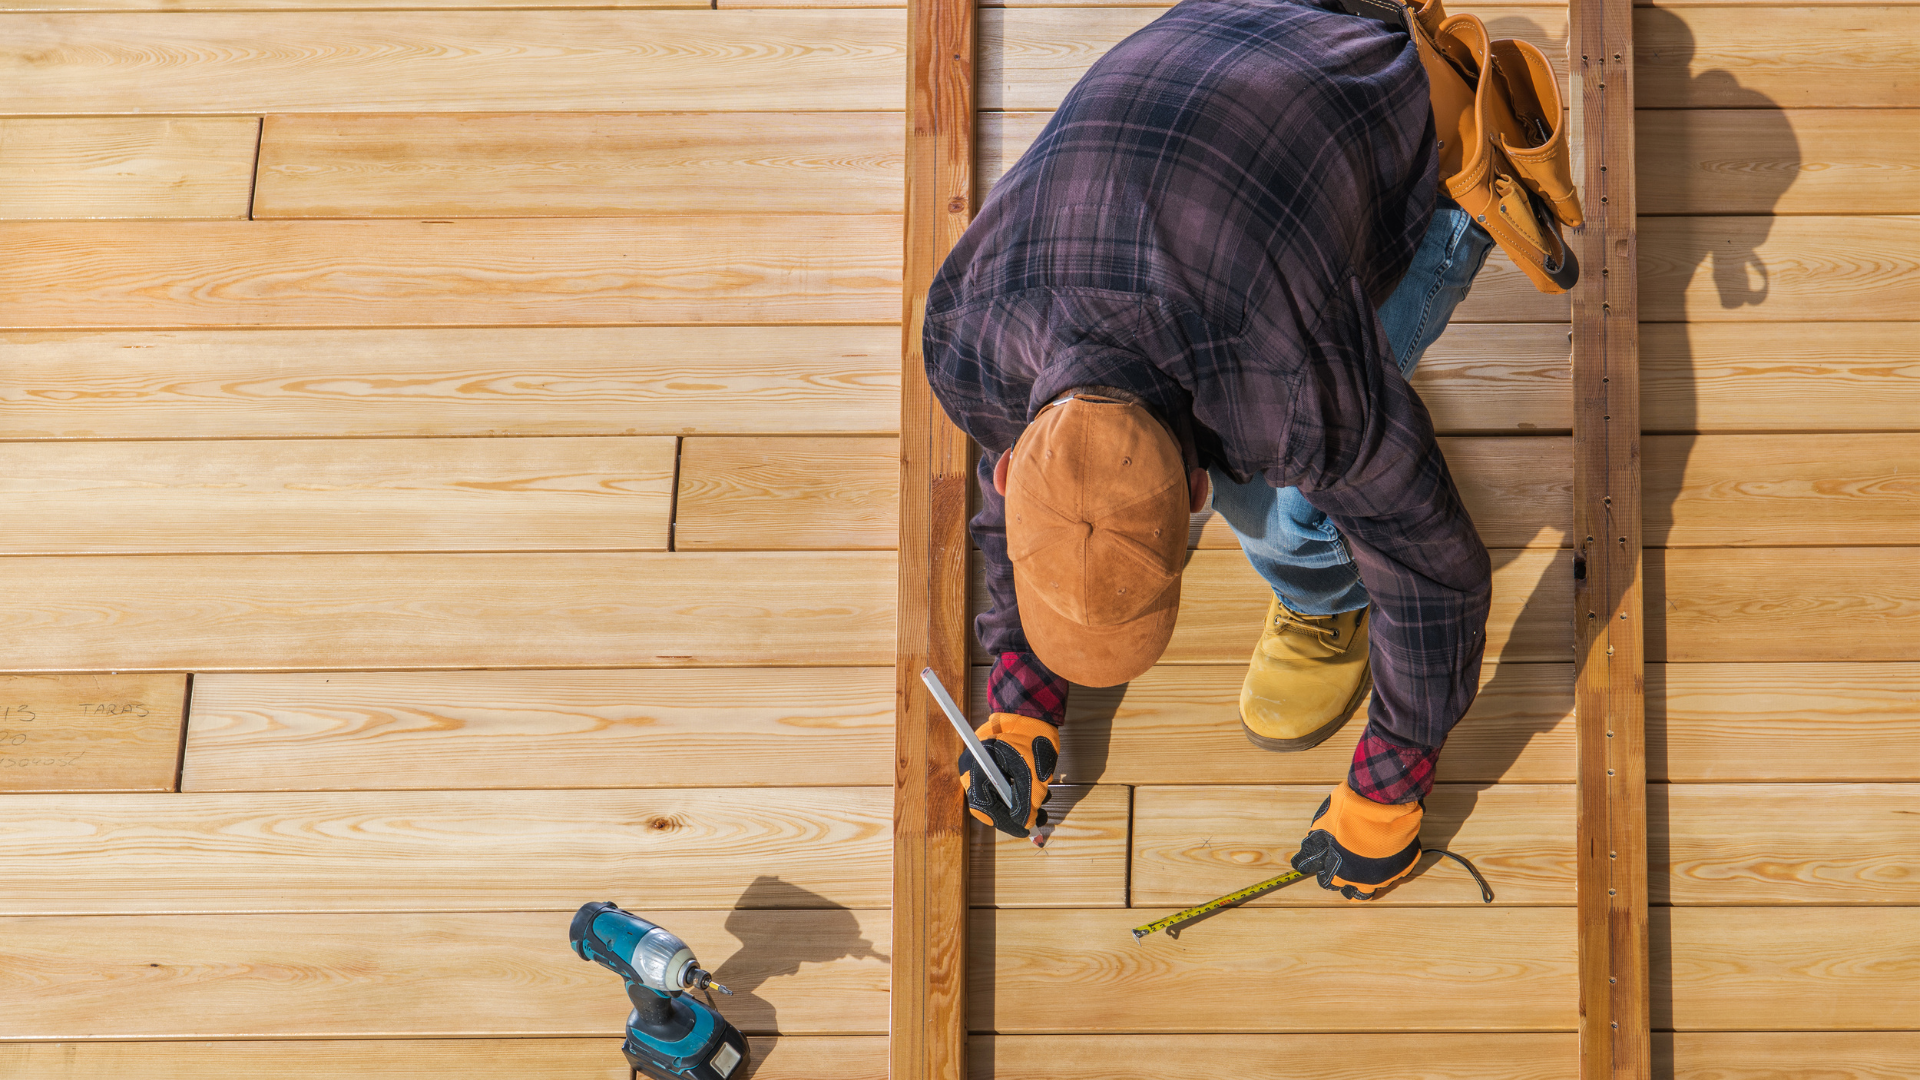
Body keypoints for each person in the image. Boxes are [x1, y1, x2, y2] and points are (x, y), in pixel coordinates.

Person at [923, 0, 1497, 900]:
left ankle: (1322, 598)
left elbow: (1436, 565)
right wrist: (1017, 693)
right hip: (1232, 45)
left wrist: (1392, 782)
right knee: (1305, 444)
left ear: (1196, 487)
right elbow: (1037, 493)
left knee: (1280, 510)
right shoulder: (970, 338)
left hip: (1412, 115)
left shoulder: (1285, 381)